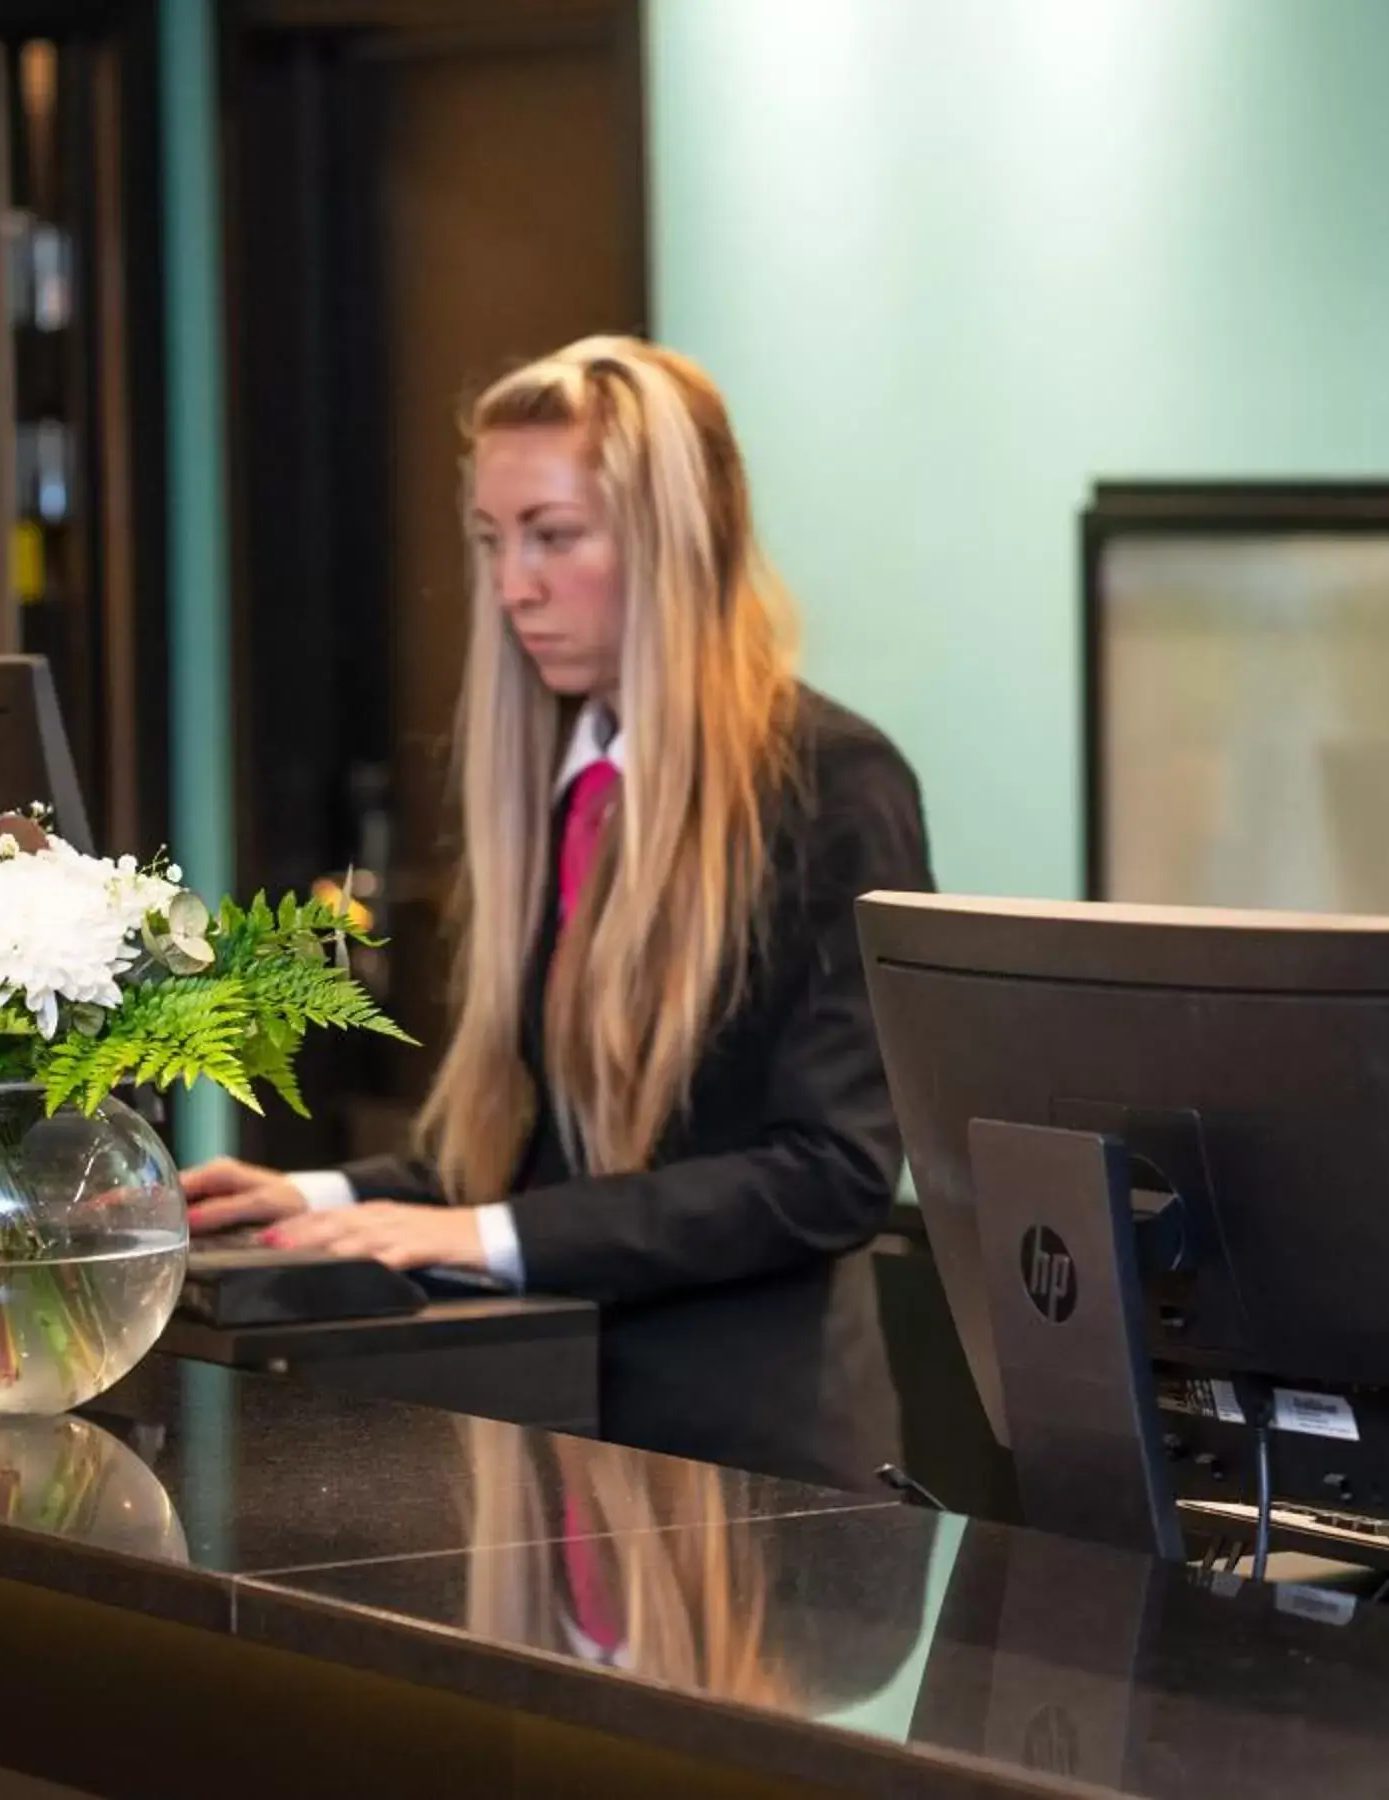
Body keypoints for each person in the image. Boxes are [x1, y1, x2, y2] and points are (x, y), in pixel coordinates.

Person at [181, 337, 932, 1492]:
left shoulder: (833, 784)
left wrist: (482, 1235)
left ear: (676, 540)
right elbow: (549, 1148)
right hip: (560, 1432)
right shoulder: (560, 775)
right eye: (493, 542)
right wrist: (329, 1196)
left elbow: (828, 1174)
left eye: (553, 536)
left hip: (752, 1475)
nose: (513, 585)